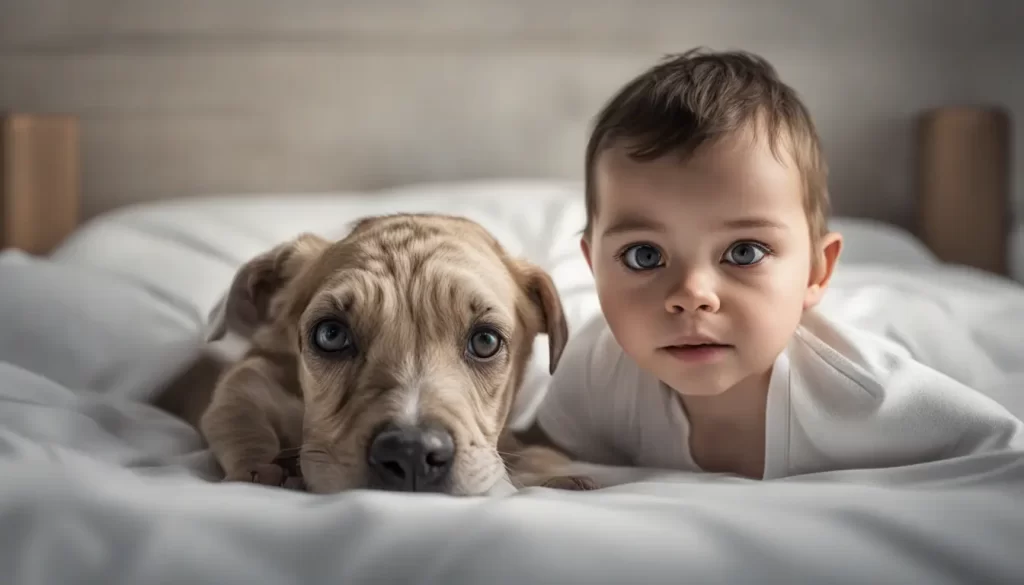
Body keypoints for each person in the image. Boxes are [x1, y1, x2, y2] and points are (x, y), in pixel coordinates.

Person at [526, 48, 1024, 480]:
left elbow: (1004, 457)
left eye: (744, 252)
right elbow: (537, 448)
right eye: (644, 255)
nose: (693, 292)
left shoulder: (868, 397)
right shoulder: (595, 368)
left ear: (816, 271)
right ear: (594, 269)